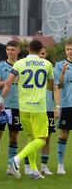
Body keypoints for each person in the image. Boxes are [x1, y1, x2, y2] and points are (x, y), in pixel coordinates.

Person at [0, 39, 54, 179]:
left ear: (28, 49)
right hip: (39, 108)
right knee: (41, 139)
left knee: (31, 137)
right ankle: (16, 159)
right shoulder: (47, 64)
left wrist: (2, 100)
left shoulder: (19, 63)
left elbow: (8, 82)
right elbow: (51, 85)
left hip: (23, 107)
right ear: (40, 49)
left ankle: (34, 170)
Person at [23, 46, 59, 175]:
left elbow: (55, 87)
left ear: (46, 54)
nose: (41, 56)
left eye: (43, 53)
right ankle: (27, 165)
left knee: (47, 138)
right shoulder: (28, 67)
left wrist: (57, 105)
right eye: (40, 53)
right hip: (33, 108)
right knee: (32, 137)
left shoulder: (50, 68)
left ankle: (44, 166)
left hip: (47, 108)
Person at [0, 41, 22, 176]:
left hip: (17, 106)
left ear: (18, 50)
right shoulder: (0, 65)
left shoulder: (22, 65)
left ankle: (10, 166)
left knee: (13, 137)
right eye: (8, 49)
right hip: (2, 106)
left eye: (12, 49)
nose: (9, 52)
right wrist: (9, 80)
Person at [54, 38, 72, 174]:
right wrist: (62, 73)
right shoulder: (60, 65)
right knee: (64, 134)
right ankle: (60, 165)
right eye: (68, 49)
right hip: (67, 105)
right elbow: (58, 86)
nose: (70, 52)